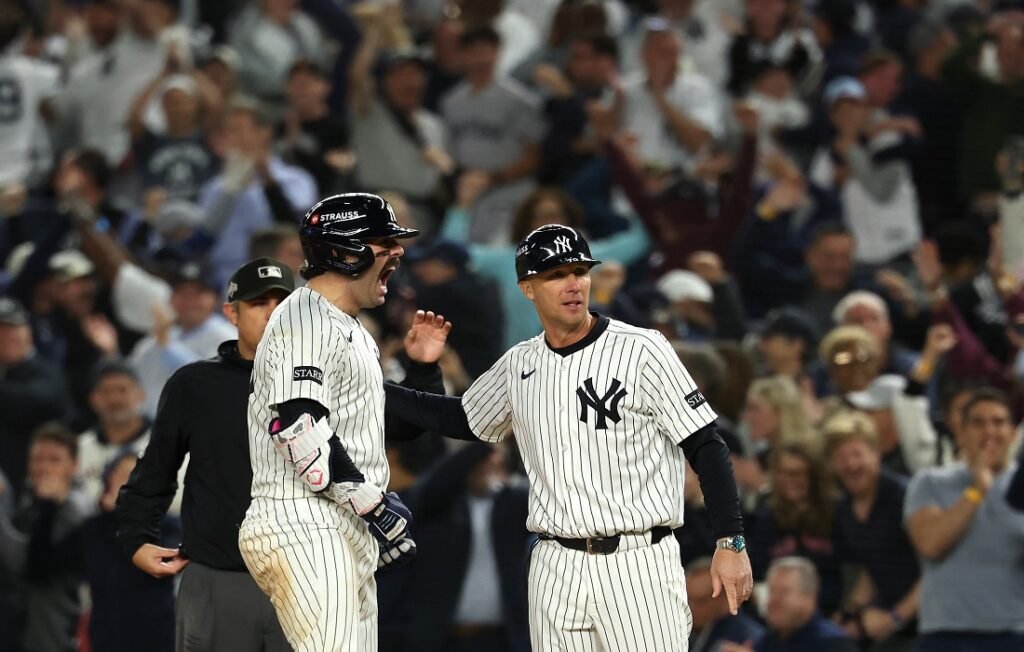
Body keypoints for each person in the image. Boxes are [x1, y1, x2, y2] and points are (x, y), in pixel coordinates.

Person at [384, 224, 753, 649]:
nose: (573, 284)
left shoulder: (642, 349)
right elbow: (464, 419)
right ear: (527, 288)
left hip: (637, 561)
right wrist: (401, 378)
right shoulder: (519, 363)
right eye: (556, 275)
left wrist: (730, 540)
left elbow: (707, 444)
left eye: (580, 271)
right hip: (554, 563)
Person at [238, 194, 451, 651]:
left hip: (335, 520)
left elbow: (387, 429)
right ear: (342, 251)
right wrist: (374, 508)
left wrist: (422, 371)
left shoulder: (348, 326)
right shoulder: (304, 317)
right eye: (383, 241)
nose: (397, 251)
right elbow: (301, 431)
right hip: (303, 520)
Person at [117, 257, 298, 651]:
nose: (272, 313)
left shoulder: (328, 378)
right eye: (259, 303)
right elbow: (156, 467)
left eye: (282, 303)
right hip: (219, 577)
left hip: (306, 579)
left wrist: (422, 373)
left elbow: (393, 427)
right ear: (231, 313)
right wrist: (137, 537)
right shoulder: (195, 384)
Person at [904, 388, 1024, 650]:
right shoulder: (930, 482)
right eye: (978, 423)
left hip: (1013, 634)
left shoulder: (1021, 488)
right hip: (944, 636)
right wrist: (977, 491)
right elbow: (931, 544)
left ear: (1013, 434)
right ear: (961, 433)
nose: (989, 431)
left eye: (999, 422)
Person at [824, 410, 920, 652]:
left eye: (857, 454)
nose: (851, 464)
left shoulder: (904, 496)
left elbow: (936, 570)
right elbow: (871, 566)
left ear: (876, 453)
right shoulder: (844, 508)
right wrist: (849, 614)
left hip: (924, 619)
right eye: (842, 457)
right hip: (886, 614)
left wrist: (894, 619)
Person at [721, 557, 858, 652]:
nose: (774, 601)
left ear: (809, 597)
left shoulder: (835, 644)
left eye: (784, 592)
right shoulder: (763, 642)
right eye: (772, 592)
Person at [687, 556, 765, 652]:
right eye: (688, 600)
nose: (690, 608)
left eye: (701, 601)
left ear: (725, 597)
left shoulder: (751, 639)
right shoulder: (683, 633)